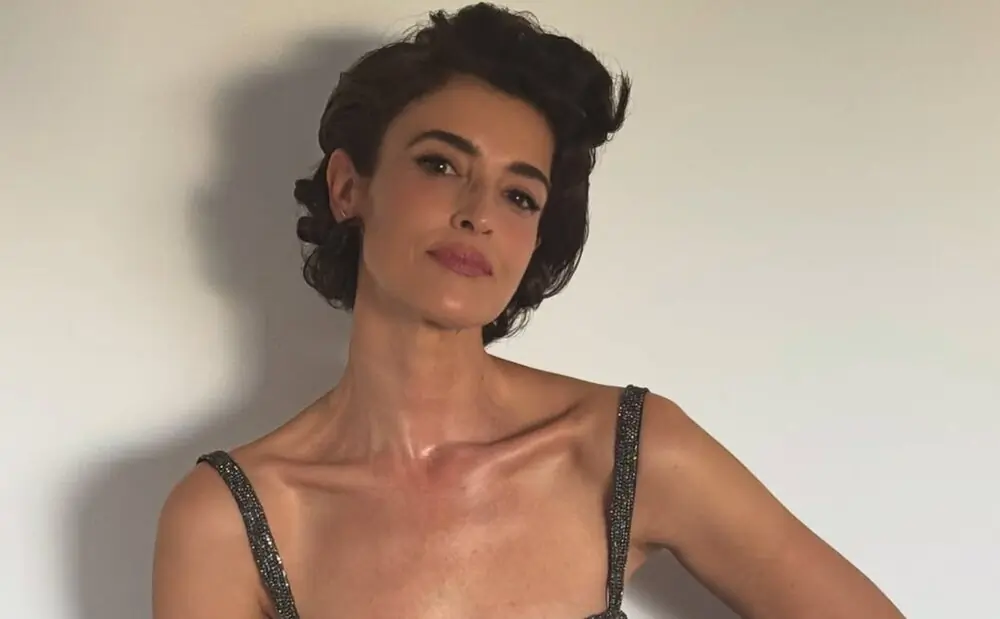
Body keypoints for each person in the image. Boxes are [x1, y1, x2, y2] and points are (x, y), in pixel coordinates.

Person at [152, 4, 906, 618]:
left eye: (519, 195)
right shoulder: (228, 519)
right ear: (350, 188)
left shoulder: (625, 450)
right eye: (441, 164)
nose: (478, 212)